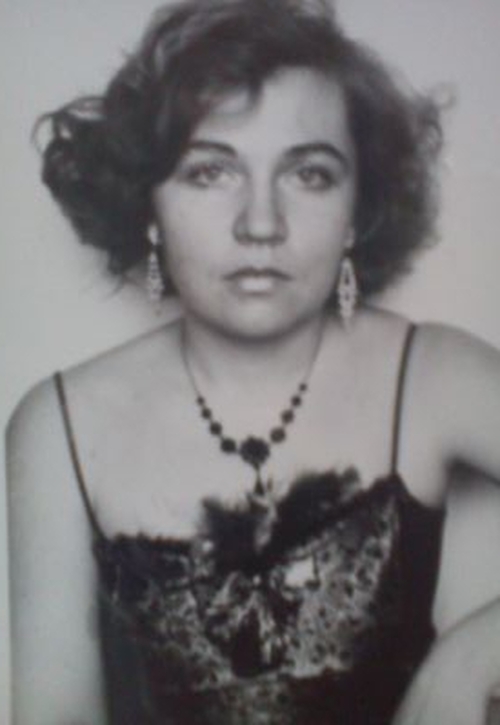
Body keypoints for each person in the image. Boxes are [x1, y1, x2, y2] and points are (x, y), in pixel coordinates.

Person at [6, 0, 500, 723]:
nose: (260, 224)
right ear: (148, 207)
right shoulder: (59, 426)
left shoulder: (434, 377)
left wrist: (479, 648)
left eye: (310, 174)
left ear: (357, 211)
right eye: (210, 172)